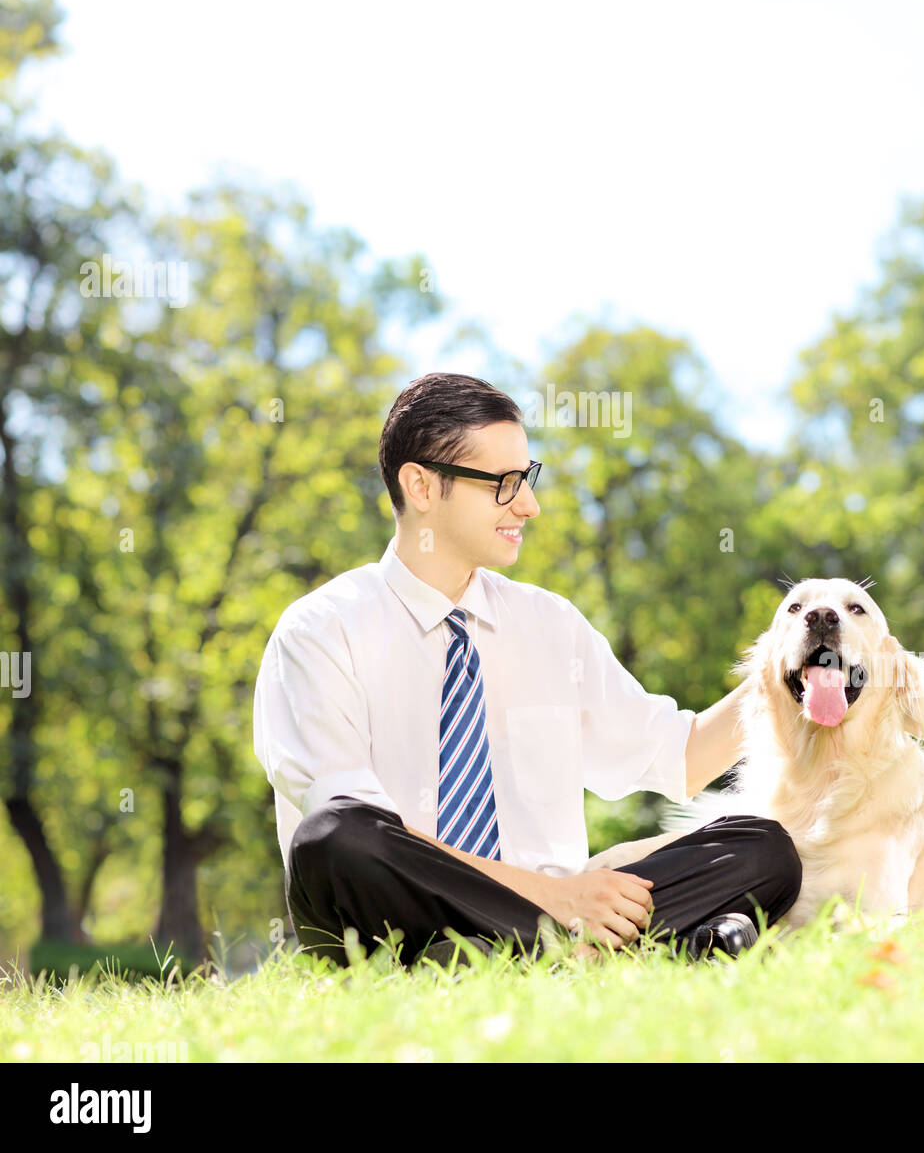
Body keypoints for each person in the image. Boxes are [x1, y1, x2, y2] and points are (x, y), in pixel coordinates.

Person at [253, 372, 801, 968]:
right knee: (335, 837)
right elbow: (348, 827)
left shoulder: (549, 625)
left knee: (760, 846)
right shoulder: (321, 631)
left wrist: (787, 670)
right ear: (422, 486)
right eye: (504, 484)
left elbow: (684, 757)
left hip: (566, 911)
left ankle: (499, 959)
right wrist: (559, 901)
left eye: (528, 479)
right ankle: (609, 948)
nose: (529, 505)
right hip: (397, 920)